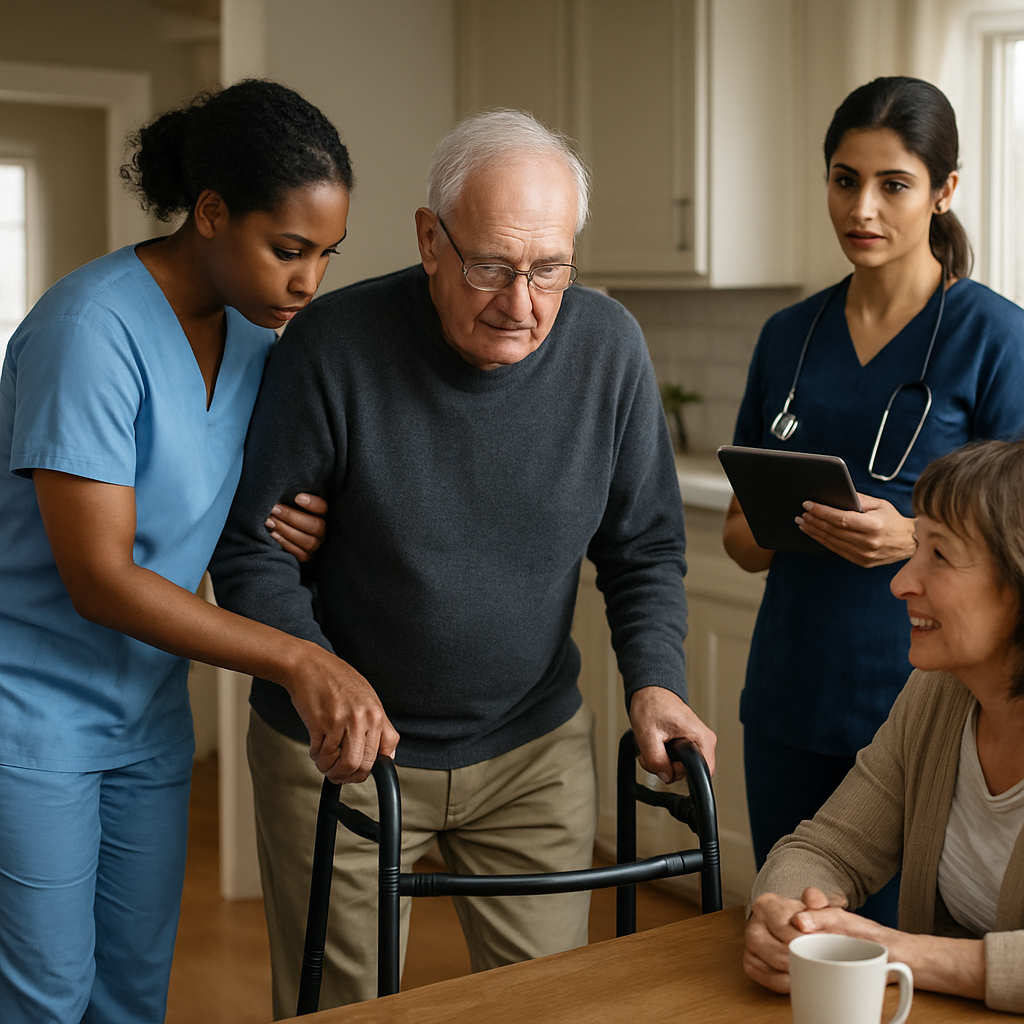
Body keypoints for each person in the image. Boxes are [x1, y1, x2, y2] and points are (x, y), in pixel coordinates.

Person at [209, 108, 717, 1016]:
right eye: (491, 267)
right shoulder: (333, 345)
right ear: (429, 241)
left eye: (550, 270)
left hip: (532, 751)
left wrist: (656, 680)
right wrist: (318, 669)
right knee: (344, 1010)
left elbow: (641, 547)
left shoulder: (609, 349)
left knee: (549, 1006)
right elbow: (252, 551)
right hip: (342, 752)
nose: (521, 304)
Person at [0, 79, 372, 1024]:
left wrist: (303, 527)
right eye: (288, 250)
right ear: (210, 212)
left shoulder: (260, 341)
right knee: (44, 995)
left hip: (148, 714)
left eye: (327, 256)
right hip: (33, 714)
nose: (309, 283)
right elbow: (100, 579)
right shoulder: (88, 329)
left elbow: (234, 506)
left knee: (131, 995)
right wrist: (298, 657)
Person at [724, 76, 1024, 924]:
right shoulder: (790, 335)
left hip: (922, 696)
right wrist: (783, 525)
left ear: (943, 192)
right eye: (844, 178)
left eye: (894, 183)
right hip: (789, 689)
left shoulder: (995, 339)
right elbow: (742, 541)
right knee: (791, 924)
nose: (863, 206)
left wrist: (905, 540)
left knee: (895, 947)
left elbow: (1021, 542)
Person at [743, 438, 1024, 1014]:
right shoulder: (939, 696)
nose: (901, 582)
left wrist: (901, 952)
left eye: (940, 556)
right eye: (915, 546)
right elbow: (826, 848)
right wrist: (792, 918)